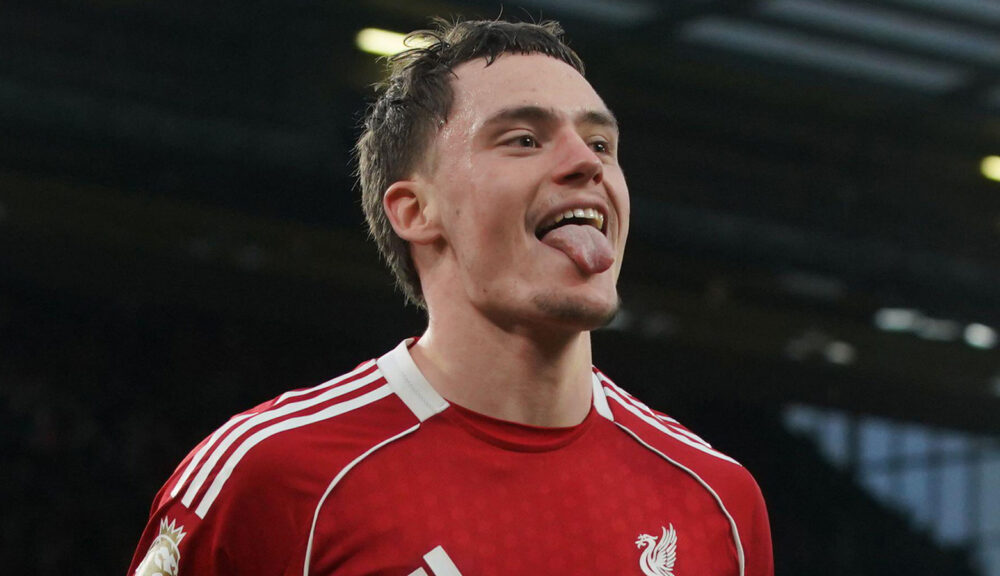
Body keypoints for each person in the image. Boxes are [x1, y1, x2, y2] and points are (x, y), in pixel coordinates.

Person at [128, 18, 773, 576]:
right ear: (416, 211)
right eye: (524, 139)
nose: (588, 164)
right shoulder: (274, 476)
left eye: (601, 144)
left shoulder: (718, 500)